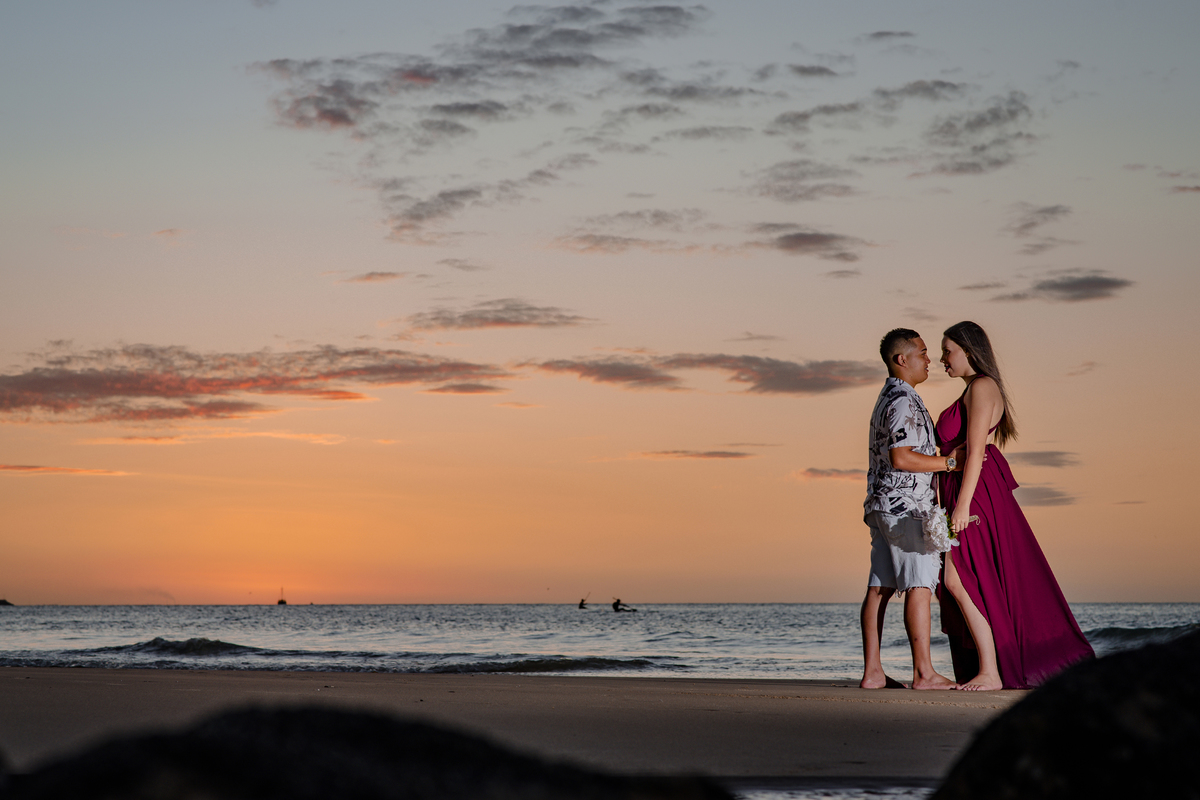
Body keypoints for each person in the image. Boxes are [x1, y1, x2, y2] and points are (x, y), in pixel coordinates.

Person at [935, 321, 1095, 690]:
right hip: (968, 489)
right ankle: (989, 667)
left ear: (968, 350)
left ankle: (991, 670)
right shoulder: (975, 388)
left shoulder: (982, 387)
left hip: (973, 494)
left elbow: (976, 452)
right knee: (969, 580)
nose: (943, 359)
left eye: (947, 351)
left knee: (957, 580)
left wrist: (960, 507)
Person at [860, 329, 960, 690]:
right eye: (922, 352)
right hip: (905, 508)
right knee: (919, 583)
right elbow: (902, 457)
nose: (929, 359)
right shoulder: (903, 399)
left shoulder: (886, 397)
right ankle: (924, 673)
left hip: (882, 504)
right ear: (902, 360)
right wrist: (950, 464)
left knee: (880, 586)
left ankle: (873, 672)